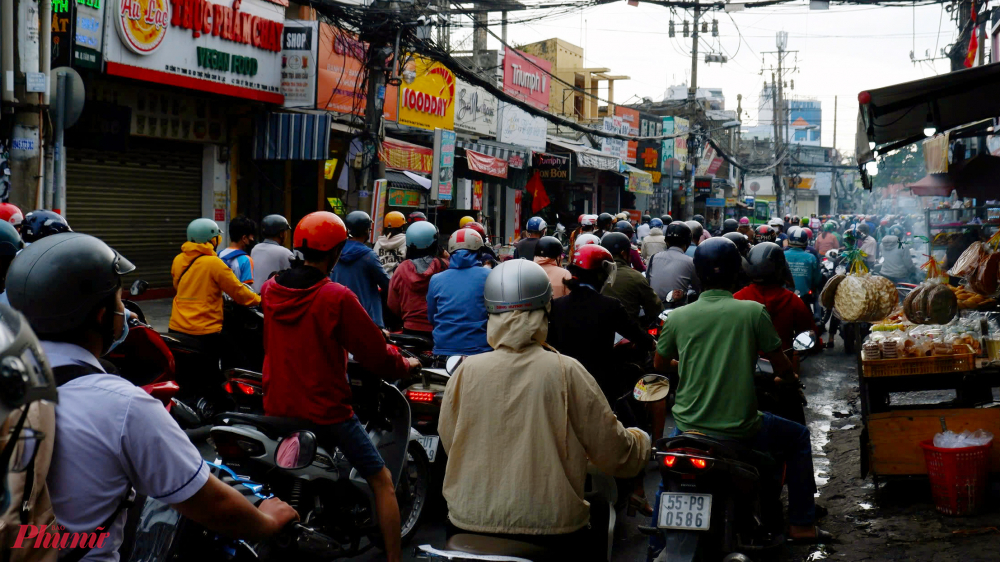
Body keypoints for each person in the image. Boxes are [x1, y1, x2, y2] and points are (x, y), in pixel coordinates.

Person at [7, 233, 298, 561]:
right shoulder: (122, 405)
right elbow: (210, 504)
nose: (126, 312)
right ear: (102, 316)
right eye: (119, 301)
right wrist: (268, 522)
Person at [438, 260, 650, 556]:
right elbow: (611, 449)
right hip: (552, 526)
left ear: (491, 313)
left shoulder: (466, 371)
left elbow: (452, 440)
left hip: (467, 520)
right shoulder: (566, 371)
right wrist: (641, 442)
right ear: (545, 311)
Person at [260, 212, 419, 562]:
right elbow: (376, 355)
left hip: (276, 406)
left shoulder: (271, 289)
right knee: (382, 480)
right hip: (326, 411)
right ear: (336, 251)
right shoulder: (335, 296)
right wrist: (405, 365)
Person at [652, 237, 830, 546]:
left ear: (698, 273)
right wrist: (788, 378)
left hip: (688, 425)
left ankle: (656, 544)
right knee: (799, 438)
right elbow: (781, 364)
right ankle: (801, 524)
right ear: (737, 272)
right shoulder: (752, 312)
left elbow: (660, 363)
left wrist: (689, 363)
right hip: (741, 426)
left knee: (668, 480)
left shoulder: (678, 316)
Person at [548, 244, 655, 404]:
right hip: (600, 385)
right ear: (600, 274)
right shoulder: (611, 306)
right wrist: (653, 344)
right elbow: (637, 335)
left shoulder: (556, 305)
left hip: (563, 383)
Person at [169, 218, 260, 398]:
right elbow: (239, 292)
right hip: (205, 330)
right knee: (237, 360)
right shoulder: (214, 263)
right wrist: (259, 300)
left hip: (177, 327)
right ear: (211, 239)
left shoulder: (178, 259)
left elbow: (178, 286)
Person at [736, 242, 818, 355]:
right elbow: (810, 333)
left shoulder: (738, 298)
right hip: (783, 359)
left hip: (746, 360)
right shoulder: (792, 300)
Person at [426, 229, 492, 357]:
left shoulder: (436, 279)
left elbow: (431, 317)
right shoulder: (490, 275)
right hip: (481, 349)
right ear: (479, 252)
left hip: (443, 350)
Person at [388, 221, 447, 342]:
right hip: (439, 329)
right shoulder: (444, 266)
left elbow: (392, 303)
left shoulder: (401, 269)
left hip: (410, 330)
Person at [330, 211, 391, 328]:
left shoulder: (334, 252)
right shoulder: (369, 256)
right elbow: (388, 285)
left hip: (337, 316)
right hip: (366, 320)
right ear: (366, 231)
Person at [600, 232, 662, 330]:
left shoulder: (593, 274)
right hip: (628, 332)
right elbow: (655, 308)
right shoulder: (635, 277)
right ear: (624, 254)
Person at [647, 221, 701, 302]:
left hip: (654, 306)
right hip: (677, 307)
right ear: (688, 242)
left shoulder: (654, 258)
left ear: (666, 241)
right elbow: (698, 288)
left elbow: (647, 282)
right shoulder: (690, 262)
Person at [785, 227, 823, 323]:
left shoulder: (781, 254)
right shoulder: (811, 257)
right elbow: (816, 279)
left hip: (783, 295)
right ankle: (818, 319)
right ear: (806, 242)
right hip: (804, 296)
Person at [251, 214, 294, 293]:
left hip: (254, 296)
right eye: (285, 231)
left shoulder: (255, 249)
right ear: (281, 234)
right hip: (272, 297)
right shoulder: (285, 253)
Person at [218, 215, 257, 286]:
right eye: (251, 237)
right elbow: (246, 289)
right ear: (244, 238)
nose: (252, 240)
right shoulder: (246, 260)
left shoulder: (218, 254)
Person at [374, 211, 408, 278]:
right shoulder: (406, 241)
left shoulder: (378, 243)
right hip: (398, 280)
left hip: (381, 280)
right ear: (402, 227)